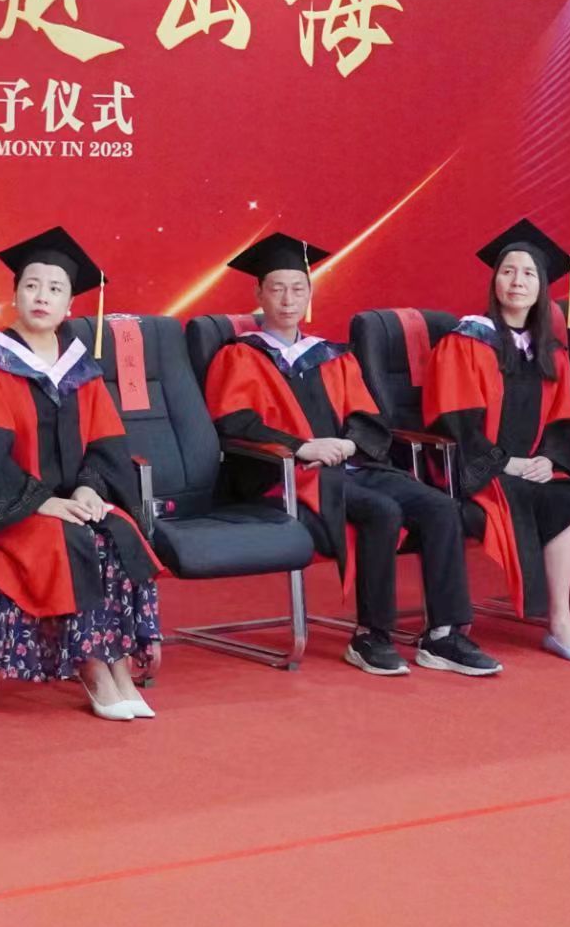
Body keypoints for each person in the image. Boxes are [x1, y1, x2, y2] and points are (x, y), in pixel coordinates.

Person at [203, 232, 500, 678]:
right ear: (258, 293)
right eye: (277, 288)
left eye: (298, 288)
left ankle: (444, 635)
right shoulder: (239, 356)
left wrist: (348, 443)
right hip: (293, 476)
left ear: (310, 294)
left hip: (352, 466)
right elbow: (234, 422)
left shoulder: (330, 356)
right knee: (381, 510)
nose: (288, 299)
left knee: (440, 506)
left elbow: (366, 416)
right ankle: (371, 636)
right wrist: (302, 447)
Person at [0, 227, 161, 719]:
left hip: (69, 499)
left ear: (69, 305)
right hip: (13, 509)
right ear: (14, 295)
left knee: (117, 531)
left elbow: (106, 441)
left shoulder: (80, 366)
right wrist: (42, 502)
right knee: (70, 539)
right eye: (31, 285)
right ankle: (92, 667)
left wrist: (89, 488)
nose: (41, 296)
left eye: (54, 288)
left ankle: (118, 664)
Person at [424, 220, 570, 663]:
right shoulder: (466, 341)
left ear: (542, 287)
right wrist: (502, 462)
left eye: (529, 273)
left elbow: (564, 420)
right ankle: (559, 623)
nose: (517, 281)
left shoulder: (550, 351)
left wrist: (550, 460)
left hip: (533, 470)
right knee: (563, 508)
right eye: (508, 271)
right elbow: (454, 420)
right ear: (495, 282)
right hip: (482, 472)